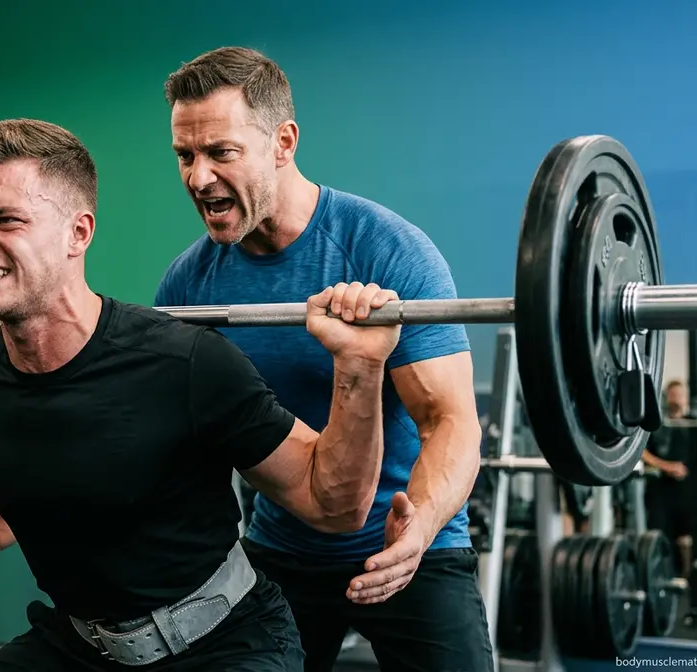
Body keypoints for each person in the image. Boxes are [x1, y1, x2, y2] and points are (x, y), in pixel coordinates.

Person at [0, 118, 410, 671]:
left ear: (78, 233)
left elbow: (330, 504)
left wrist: (359, 364)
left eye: (6, 221)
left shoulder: (186, 362)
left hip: (223, 645)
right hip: (81, 646)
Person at [153, 47, 489, 672]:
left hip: (411, 544)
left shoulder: (386, 251)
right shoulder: (189, 286)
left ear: (282, 142)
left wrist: (416, 531)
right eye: (185, 155)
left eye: (221, 152)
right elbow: (172, 444)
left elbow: (450, 420)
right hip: (280, 550)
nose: (198, 177)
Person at [641, 380, 697, 577]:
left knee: (687, 537)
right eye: (674, 395)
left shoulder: (695, 423)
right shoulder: (657, 423)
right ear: (667, 397)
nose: (678, 399)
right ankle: (660, 575)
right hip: (661, 489)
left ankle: (688, 578)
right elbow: (642, 452)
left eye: (681, 395)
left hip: (688, 490)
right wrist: (667, 467)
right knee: (659, 534)